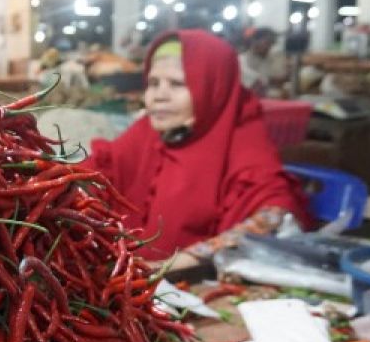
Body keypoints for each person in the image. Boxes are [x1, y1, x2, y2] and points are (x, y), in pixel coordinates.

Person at [89, 30, 309, 266]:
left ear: (212, 87)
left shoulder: (243, 140)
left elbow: (275, 215)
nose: (158, 96)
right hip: (134, 276)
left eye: (177, 84)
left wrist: (175, 264)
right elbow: (98, 170)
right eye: (153, 83)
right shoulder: (148, 132)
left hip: (191, 285)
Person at [239, 27, 284, 96]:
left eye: (271, 44)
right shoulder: (240, 61)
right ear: (254, 41)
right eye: (267, 43)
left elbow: (278, 80)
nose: (268, 47)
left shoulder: (270, 61)